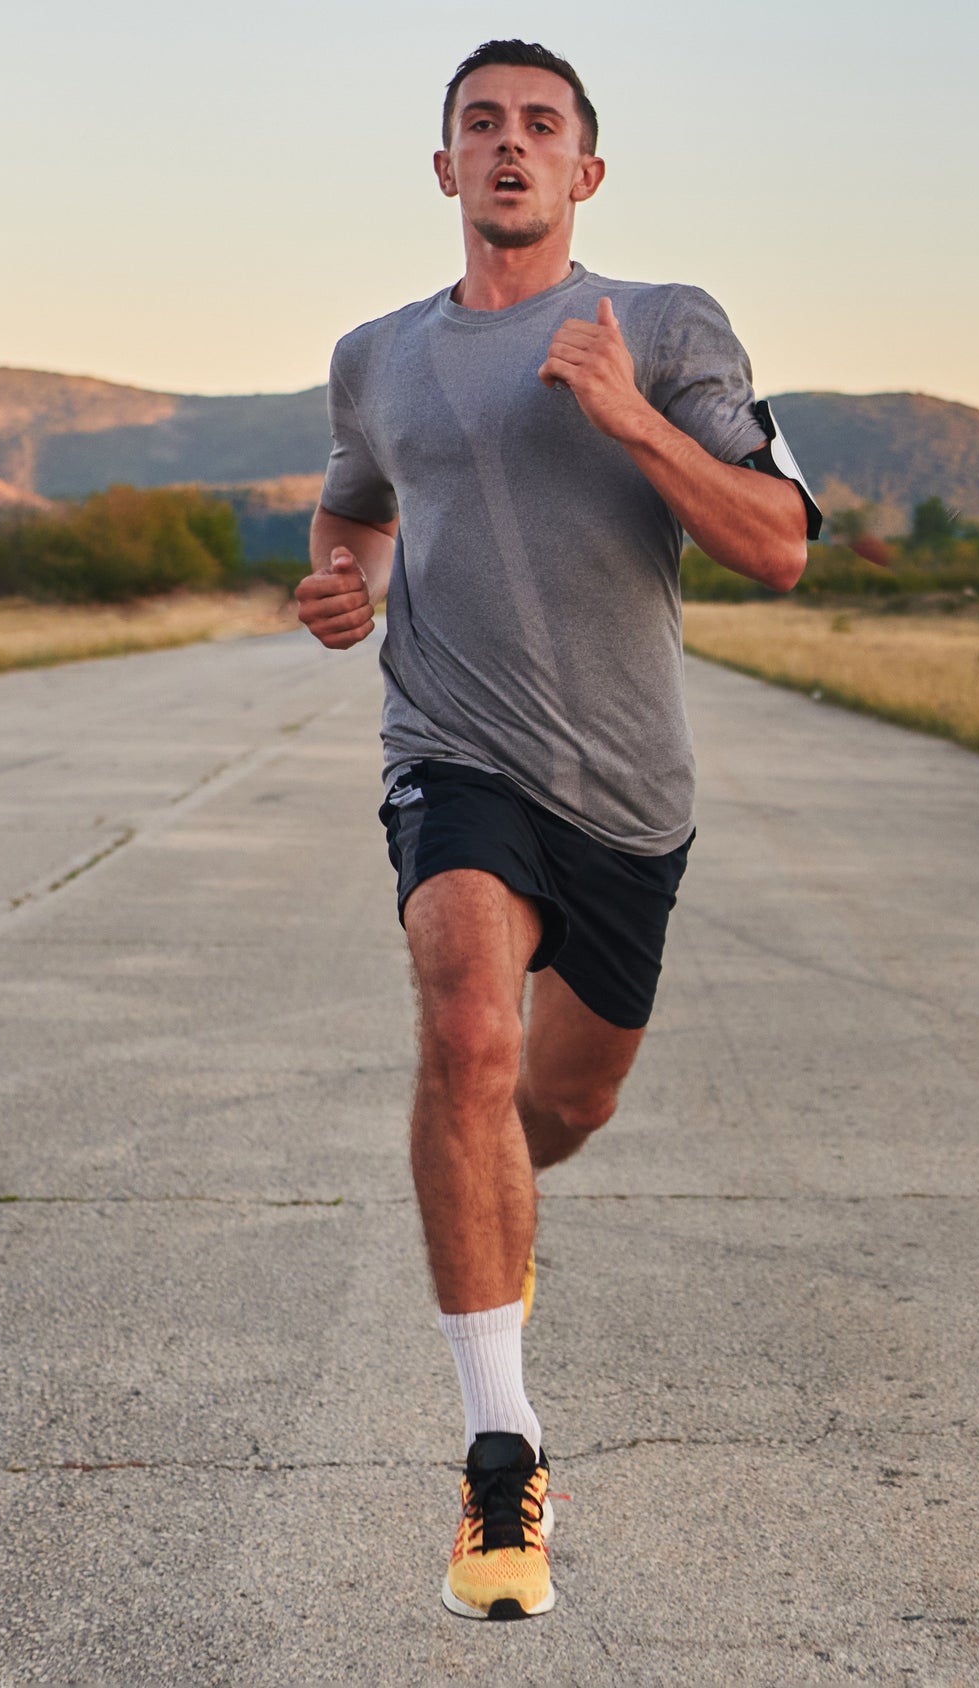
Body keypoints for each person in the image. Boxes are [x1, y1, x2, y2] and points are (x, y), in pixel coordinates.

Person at [294, 39, 819, 1621]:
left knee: (556, 1114)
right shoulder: (376, 355)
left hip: (629, 799)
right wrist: (340, 584)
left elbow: (781, 546)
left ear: (586, 174)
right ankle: (498, 1449)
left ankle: (496, 1211)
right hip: (453, 750)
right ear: (442, 168)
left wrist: (627, 417)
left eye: (542, 128)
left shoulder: (662, 330)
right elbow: (356, 500)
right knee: (466, 1039)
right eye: (481, 127)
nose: (510, 148)